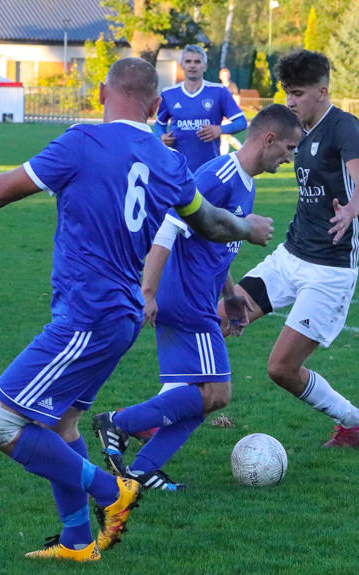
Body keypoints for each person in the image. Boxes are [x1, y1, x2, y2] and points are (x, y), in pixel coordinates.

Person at [0, 57, 273, 562]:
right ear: (157, 106)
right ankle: (79, 541)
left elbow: (7, 187)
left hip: (88, 315)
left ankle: (111, 490)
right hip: (120, 319)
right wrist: (246, 227)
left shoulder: (83, 142)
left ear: (103, 92)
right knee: (62, 428)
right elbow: (209, 222)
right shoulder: (170, 164)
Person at [93, 104, 303, 491]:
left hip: (198, 296)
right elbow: (168, 227)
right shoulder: (219, 175)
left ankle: (142, 469)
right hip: (185, 299)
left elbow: (216, 245)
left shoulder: (247, 183)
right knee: (217, 393)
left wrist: (231, 293)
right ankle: (117, 423)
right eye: (289, 148)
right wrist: (149, 291)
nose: (290, 158)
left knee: (202, 396)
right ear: (269, 139)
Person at [217, 49, 359, 448]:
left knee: (281, 368)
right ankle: (166, 411)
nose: (291, 102)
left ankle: (355, 421)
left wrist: (350, 212)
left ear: (323, 91)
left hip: (330, 270)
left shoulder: (343, 126)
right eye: (287, 93)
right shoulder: (298, 132)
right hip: (290, 257)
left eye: (299, 94)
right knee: (218, 317)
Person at [153, 45, 247, 172]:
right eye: (188, 61)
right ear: (182, 65)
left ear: (205, 66)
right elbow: (159, 125)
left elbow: (241, 122)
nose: (192, 65)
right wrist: (162, 136)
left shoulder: (219, 91)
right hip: (177, 168)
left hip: (209, 169)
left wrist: (220, 129)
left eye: (197, 62)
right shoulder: (169, 93)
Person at [218, 67, 243, 155]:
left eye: (227, 75)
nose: (225, 77)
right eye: (223, 75)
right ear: (220, 76)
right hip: (221, 116)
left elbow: (237, 99)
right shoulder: (220, 88)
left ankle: (222, 157)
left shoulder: (232, 86)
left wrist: (234, 113)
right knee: (225, 137)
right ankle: (243, 150)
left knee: (225, 136)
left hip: (229, 116)